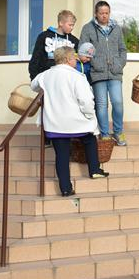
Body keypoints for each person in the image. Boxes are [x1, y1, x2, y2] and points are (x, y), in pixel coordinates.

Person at [30, 47, 109, 197]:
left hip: (54, 123)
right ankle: (94, 170)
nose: (76, 60)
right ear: (67, 60)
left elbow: (33, 86)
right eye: (74, 57)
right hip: (76, 122)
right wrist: (89, 115)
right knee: (90, 138)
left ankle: (65, 189)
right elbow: (86, 101)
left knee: (62, 155)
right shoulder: (77, 77)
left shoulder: (45, 75)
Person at [79, 1, 129, 146]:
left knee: (118, 102)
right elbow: (83, 50)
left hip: (115, 72)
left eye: (107, 13)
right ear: (96, 13)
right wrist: (94, 63)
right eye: (101, 13)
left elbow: (122, 49)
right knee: (101, 105)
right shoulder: (88, 28)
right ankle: (105, 134)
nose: (104, 16)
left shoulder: (116, 28)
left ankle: (118, 132)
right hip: (97, 73)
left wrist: (119, 64)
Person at [29, 10, 79, 80]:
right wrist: (35, 78)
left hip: (66, 78)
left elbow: (76, 61)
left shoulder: (74, 41)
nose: (72, 28)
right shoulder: (44, 36)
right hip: (46, 77)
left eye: (73, 25)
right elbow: (36, 58)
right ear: (61, 23)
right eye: (70, 25)